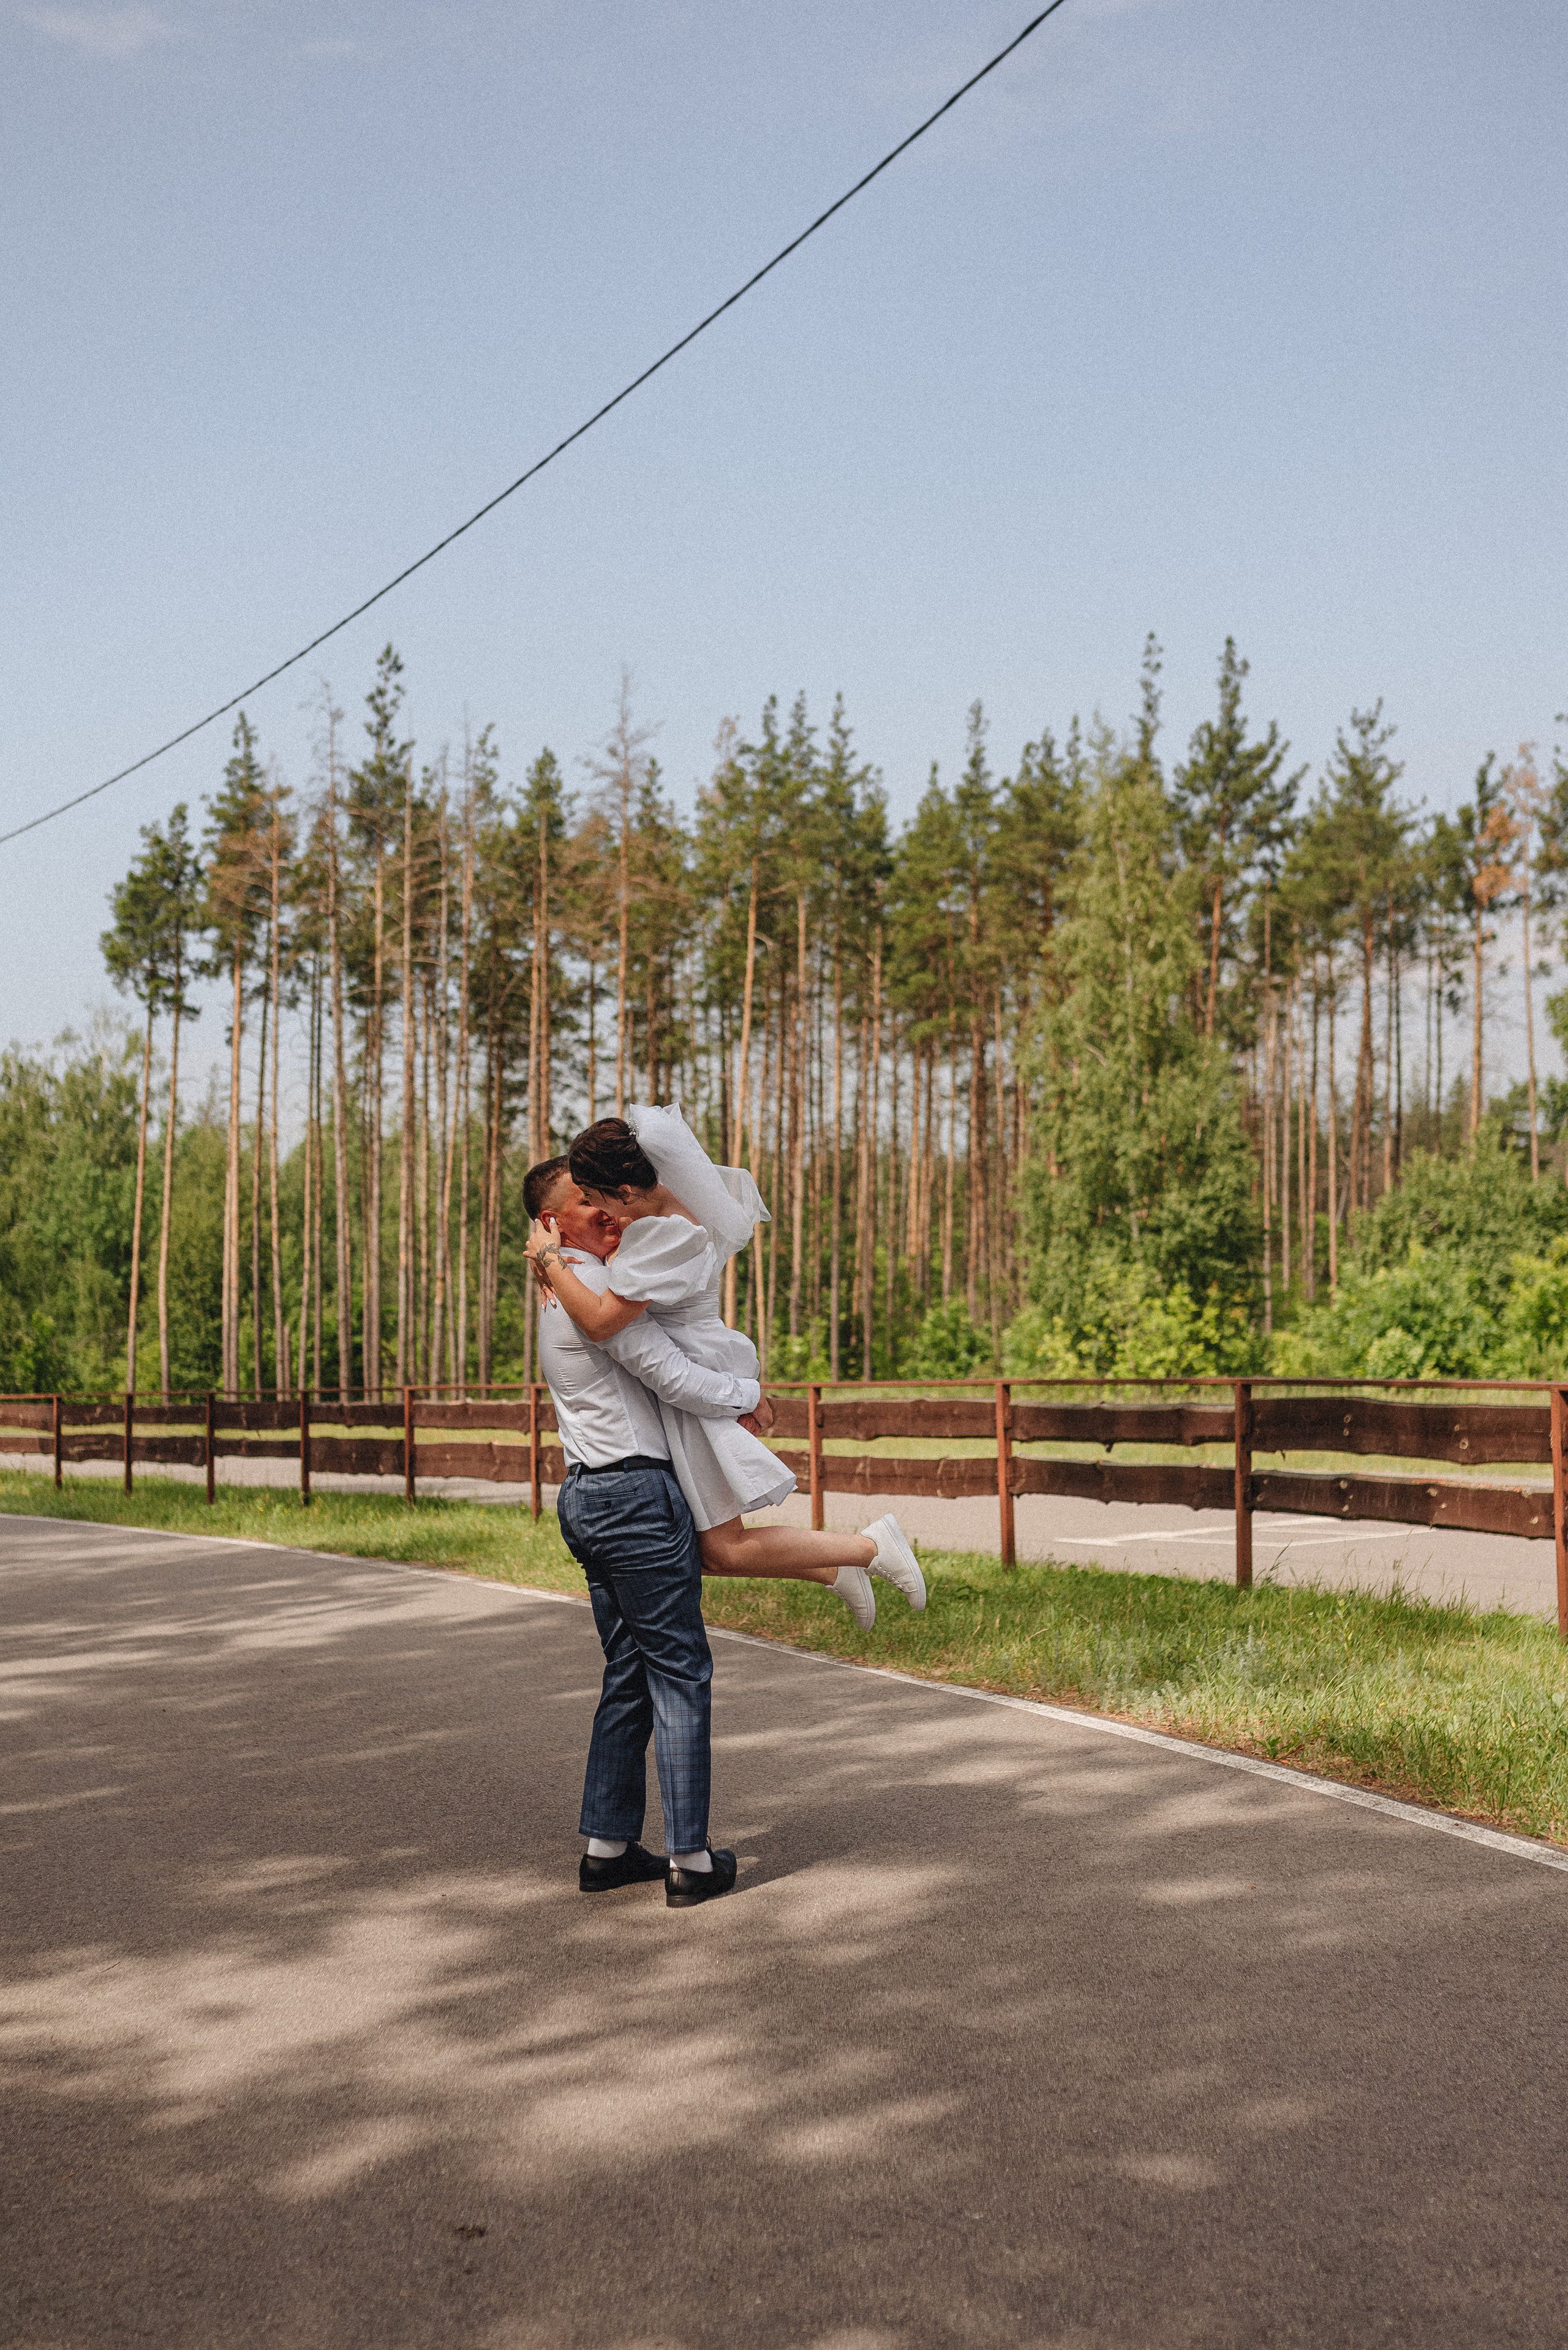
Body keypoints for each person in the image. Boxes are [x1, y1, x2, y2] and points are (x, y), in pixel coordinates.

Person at [525, 1105, 925, 1627]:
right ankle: (836, 1568)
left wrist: (552, 1261)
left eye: (596, 1197)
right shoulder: (654, 1218)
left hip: (693, 1376)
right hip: (696, 1370)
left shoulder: (663, 1230)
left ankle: (867, 1547)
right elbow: (609, 1279)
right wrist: (558, 1264)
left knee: (718, 1547)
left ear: (624, 1191)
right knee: (706, 1549)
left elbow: (602, 1320)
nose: (605, 1214)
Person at [524, 1151, 761, 1906]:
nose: (606, 1212)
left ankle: (608, 1849)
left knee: (628, 1670)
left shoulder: (566, 1283)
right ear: (551, 1223)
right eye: (585, 1204)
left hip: (589, 1494)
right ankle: (690, 1861)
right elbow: (672, 1374)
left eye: (604, 1198)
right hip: (632, 1496)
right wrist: (748, 1394)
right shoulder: (592, 1290)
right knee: (681, 1673)